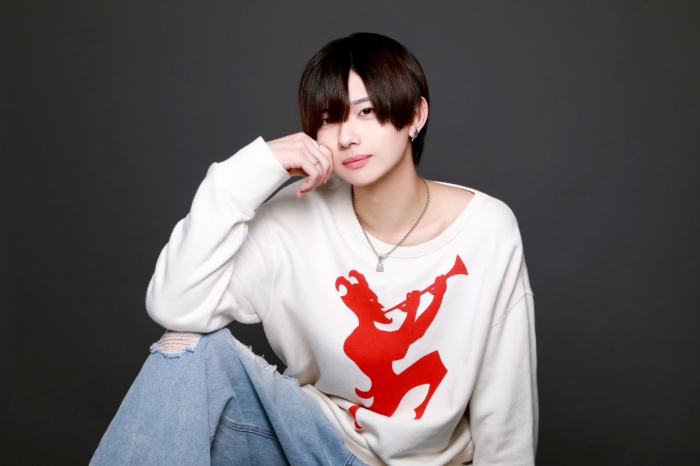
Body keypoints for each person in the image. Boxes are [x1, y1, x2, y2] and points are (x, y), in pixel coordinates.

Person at [90, 32, 538, 466]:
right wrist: (251, 168)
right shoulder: (292, 218)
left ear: (416, 116)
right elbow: (175, 306)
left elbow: (506, 405)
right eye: (329, 119)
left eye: (366, 111)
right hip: (313, 447)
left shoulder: (486, 230)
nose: (346, 137)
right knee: (190, 348)